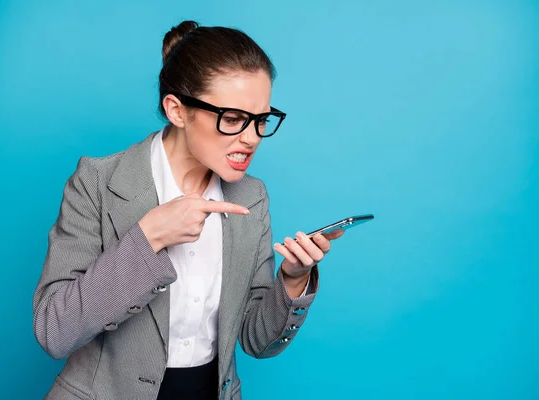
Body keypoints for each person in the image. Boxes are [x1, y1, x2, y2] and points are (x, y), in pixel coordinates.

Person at [33, 20, 344, 400]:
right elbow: (54, 330)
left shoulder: (252, 197)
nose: (251, 138)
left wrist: (293, 279)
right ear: (177, 110)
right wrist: (148, 240)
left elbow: (256, 341)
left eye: (261, 120)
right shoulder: (97, 183)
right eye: (232, 119)